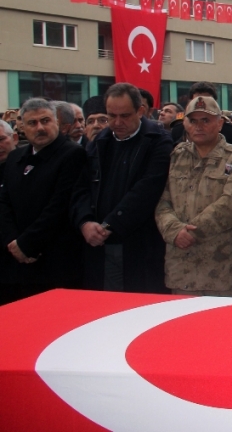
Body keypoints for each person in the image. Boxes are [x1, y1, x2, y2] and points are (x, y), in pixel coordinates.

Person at [70, 83, 173, 293]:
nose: (117, 122)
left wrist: (108, 225)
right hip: (97, 243)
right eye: (111, 116)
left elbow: (147, 190)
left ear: (141, 111)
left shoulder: (158, 141)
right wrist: (84, 222)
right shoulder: (99, 142)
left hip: (139, 244)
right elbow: (81, 187)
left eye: (125, 115)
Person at [155, 96, 232, 297]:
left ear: (220, 123)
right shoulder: (176, 155)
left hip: (221, 273)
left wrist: (191, 233)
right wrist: (175, 231)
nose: (198, 126)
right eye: (193, 120)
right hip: (180, 270)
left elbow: (230, 205)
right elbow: (162, 201)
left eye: (205, 120)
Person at [0, 99, 86, 305]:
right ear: (21, 127)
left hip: (55, 261)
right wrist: (14, 243)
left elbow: (59, 206)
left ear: (56, 122)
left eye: (45, 120)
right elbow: (4, 204)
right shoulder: (15, 157)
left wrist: (28, 243)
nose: (40, 127)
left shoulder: (73, 154)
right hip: (16, 261)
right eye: (32, 123)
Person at [170, 82, 232, 148]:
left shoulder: (230, 132)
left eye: (205, 121)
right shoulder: (177, 131)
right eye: (196, 101)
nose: (201, 106)